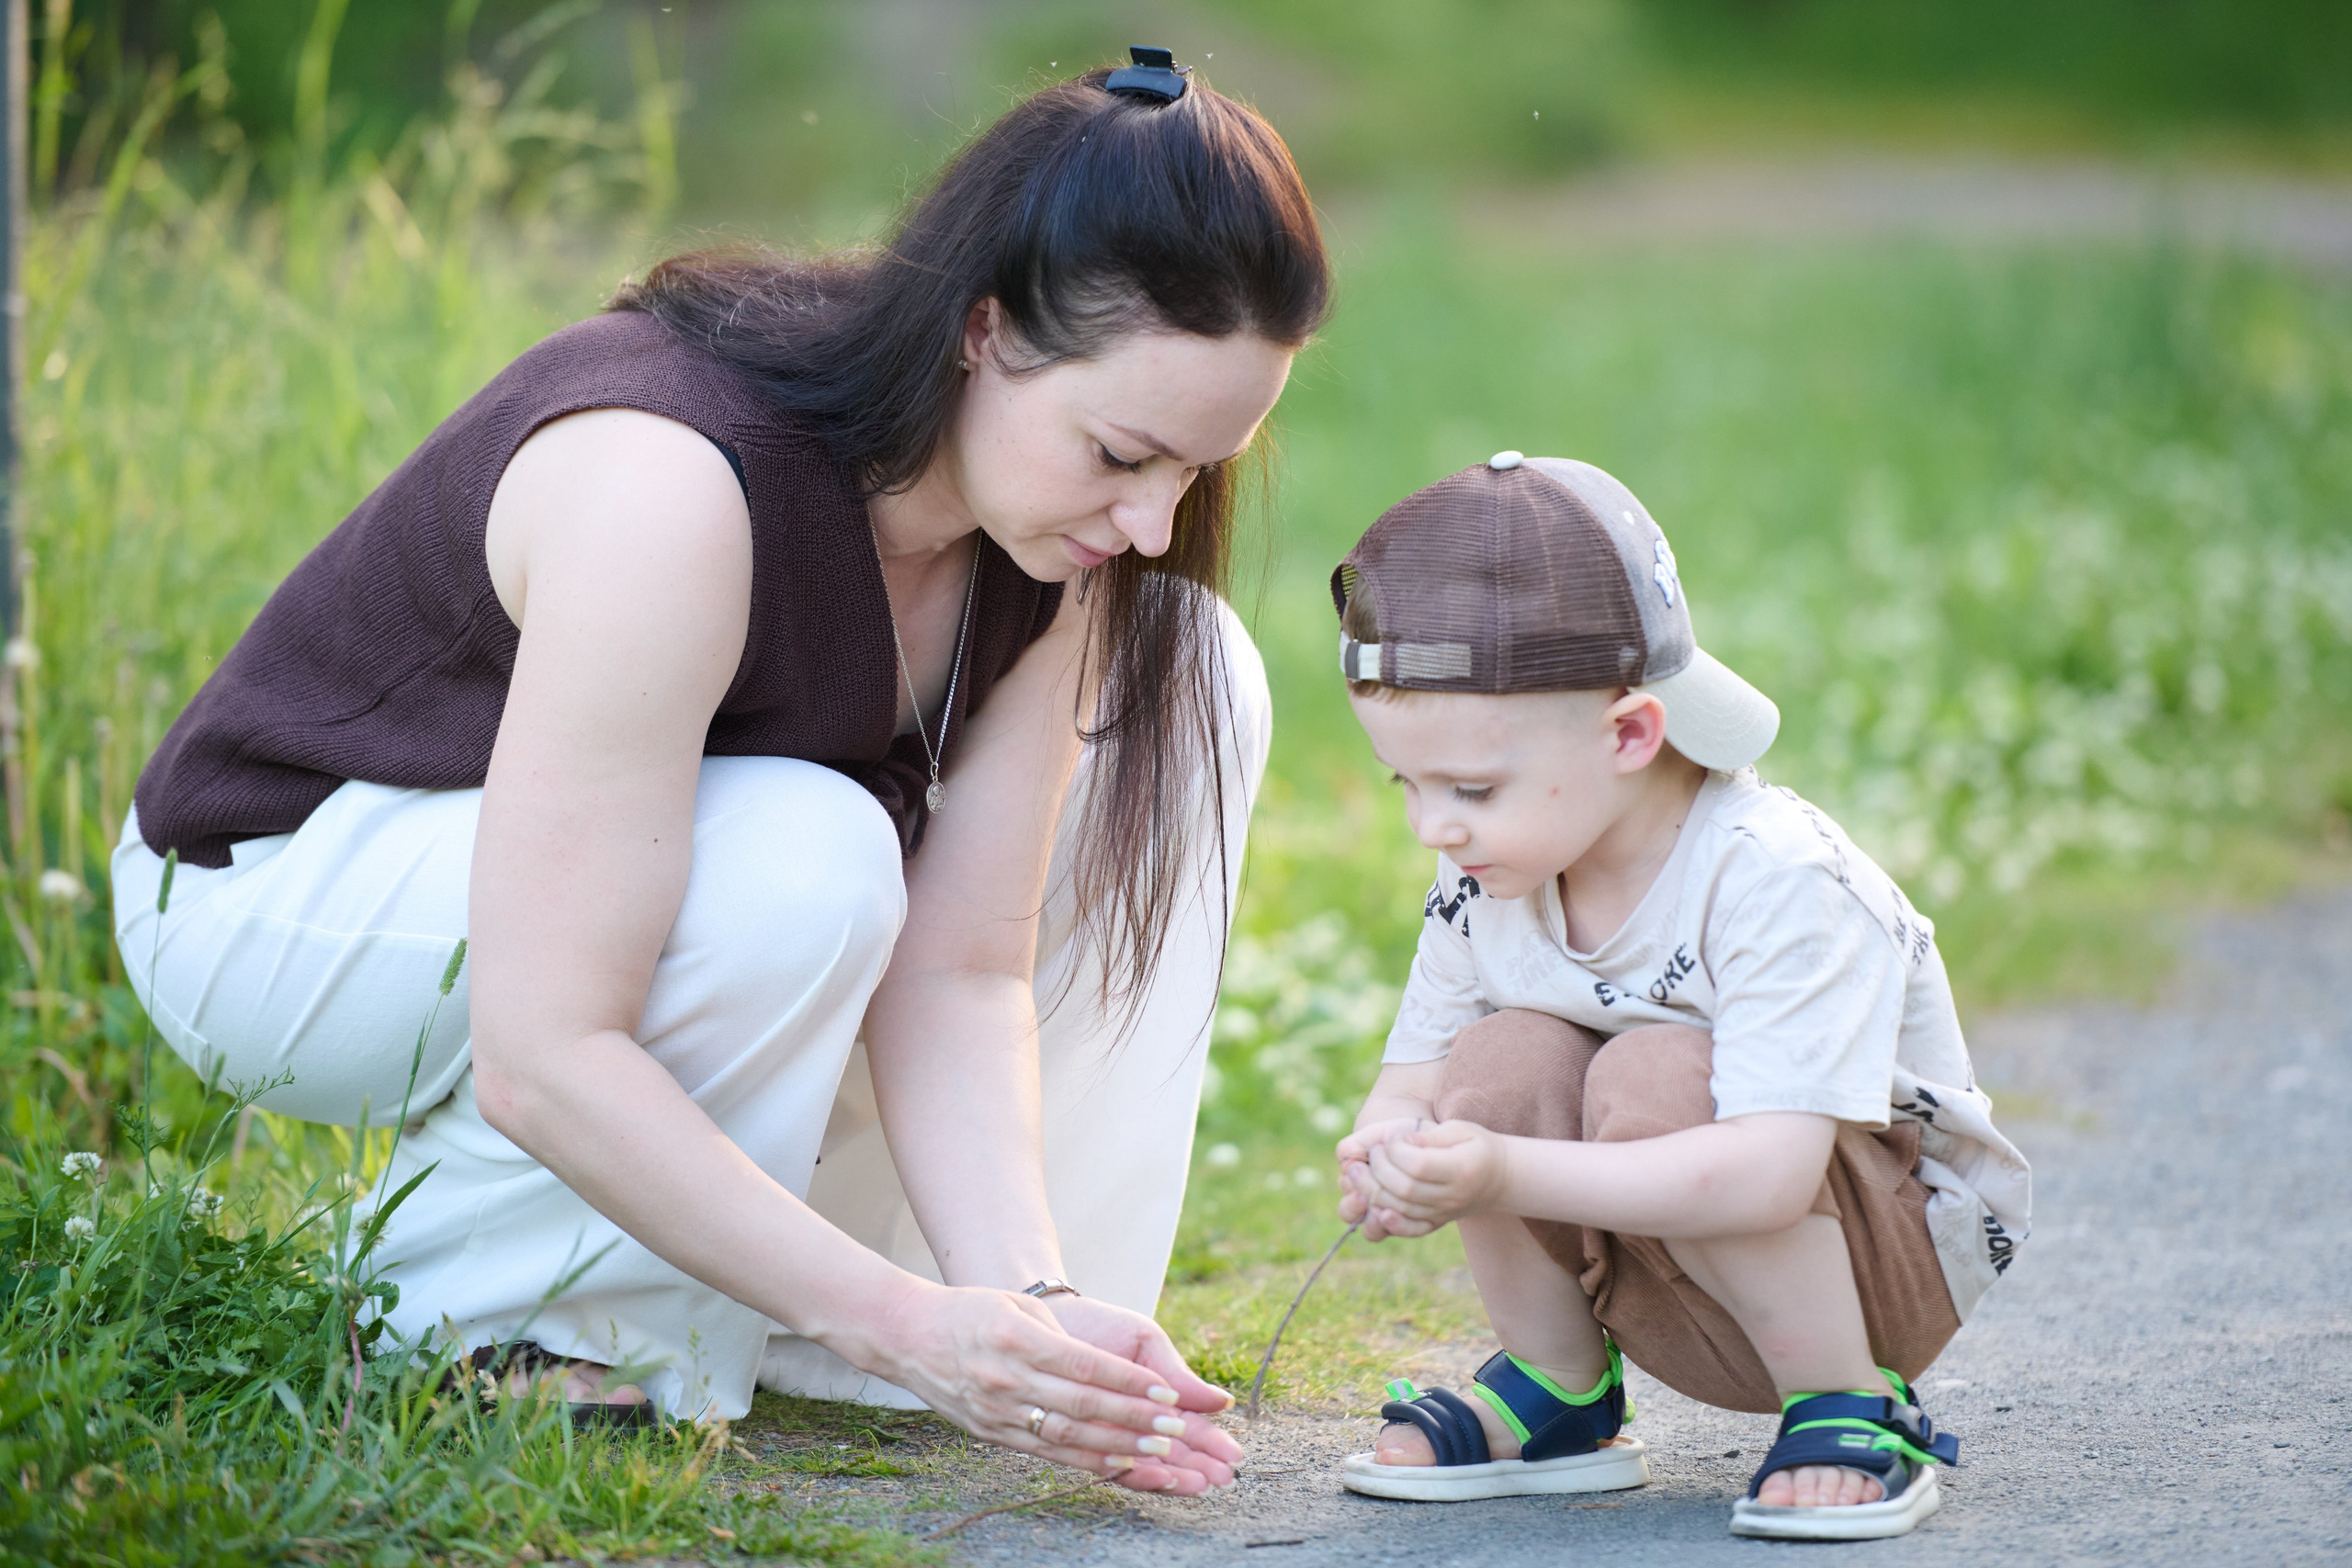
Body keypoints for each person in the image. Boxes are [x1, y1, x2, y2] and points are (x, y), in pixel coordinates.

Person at [108, 51, 1327, 1495]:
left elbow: (962, 970)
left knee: (1190, 666)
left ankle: (904, 1322)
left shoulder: (1054, 549)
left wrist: (1022, 1294)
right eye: (1123, 453)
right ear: (984, 330)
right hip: (277, 897)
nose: (1152, 519)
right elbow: (547, 1047)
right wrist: (898, 1323)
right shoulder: (674, 482)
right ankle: (481, 1330)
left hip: (552, 913)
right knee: (805, 849)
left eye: (1195, 470)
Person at [1323, 453, 2032, 1540]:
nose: (1433, 827)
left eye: (1468, 788)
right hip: (1654, 1258)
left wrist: (1497, 1171)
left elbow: (1767, 1173)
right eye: (1405, 784)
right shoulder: (1487, 874)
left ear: (1627, 735)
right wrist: (1392, 1156)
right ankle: (1557, 1391)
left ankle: (1849, 1403)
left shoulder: (1777, 880)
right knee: (1495, 1059)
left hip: (1868, 1263)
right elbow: (1411, 1085)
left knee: (1652, 1067)